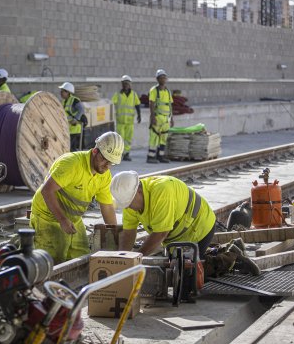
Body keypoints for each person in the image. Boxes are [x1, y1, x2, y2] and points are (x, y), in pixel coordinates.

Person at [30, 132, 124, 264]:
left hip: (73, 219)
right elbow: (47, 191)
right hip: (47, 216)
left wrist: (115, 234)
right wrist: (62, 220)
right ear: (95, 151)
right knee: (52, 262)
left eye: (111, 163)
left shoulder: (104, 175)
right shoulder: (72, 163)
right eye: (105, 160)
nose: (107, 166)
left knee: (81, 258)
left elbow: (107, 207)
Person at [110, 171, 215, 258]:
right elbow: (128, 233)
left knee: (189, 276)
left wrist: (136, 259)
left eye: (128, 203)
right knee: (175, 271)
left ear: (139, 191)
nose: (127, 207)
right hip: (174, 238)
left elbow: (160, 233)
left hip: (198, 228)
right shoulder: (129, 201)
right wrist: (122, 259)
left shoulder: (162, 192)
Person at [111, 75, 141, 161]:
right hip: (120, 121)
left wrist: (139, 115)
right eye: (124, 83)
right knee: (120, 138)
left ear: (130, 84)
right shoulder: (118, 94)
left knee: (128, 139)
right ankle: (119, 154)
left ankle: (127, 154)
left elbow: (137, 105)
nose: (126, 85)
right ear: (122, 84)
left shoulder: (134, 95)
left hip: (129, 122)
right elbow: (112, 104)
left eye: (127, 83)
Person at [147, 69, 173, 164]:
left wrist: (172, 118)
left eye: (164, 77)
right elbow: (151, 103)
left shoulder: (168, 91)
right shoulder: (154, 90)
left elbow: (170, 105)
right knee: (154, 137)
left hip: (166, 119)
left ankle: (160, 156)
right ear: (157, 79)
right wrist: (152, 117)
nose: (163, 79)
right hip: (157, 118)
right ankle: (150, 157)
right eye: (161, 78)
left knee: (163, 138)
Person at [59, 82, 85, 151]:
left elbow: (81, 109)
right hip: (67, 129)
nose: (60, 92)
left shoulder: (74, 100)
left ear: (68, 92)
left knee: (71, 148)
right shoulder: (64, 101)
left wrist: (76, 119)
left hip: (74, 129)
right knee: (68, 148)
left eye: (62, 91)